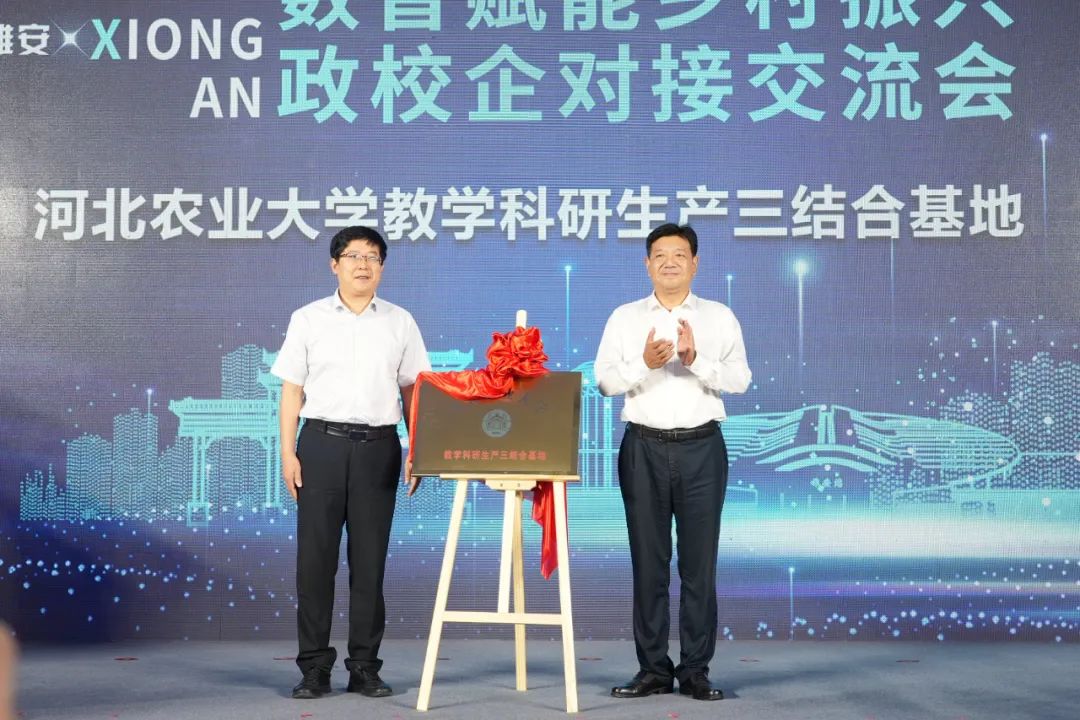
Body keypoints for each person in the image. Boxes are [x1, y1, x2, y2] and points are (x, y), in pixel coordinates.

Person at [272, 226, 430, 700]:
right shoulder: (308, 318)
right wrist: (287, 453)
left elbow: (413, 389)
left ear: (382, 267)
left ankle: (364, 666)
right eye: (354, 256)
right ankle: (314, 668)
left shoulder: (400, 321)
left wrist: (419, 447)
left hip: (379, 448)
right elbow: (292, 390)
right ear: (334, 265)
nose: (363, 264)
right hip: (320, 445)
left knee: (369, 564)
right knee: (315, 563)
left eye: (373, 257)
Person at [595, 223, 751, 702]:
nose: (669, 262)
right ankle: (653, 670)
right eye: (659, 255)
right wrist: (644, 362)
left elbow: (740, 380)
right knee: (649, 563)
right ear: (647, 264)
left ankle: (696, 670)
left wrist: (696, 359)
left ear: (695, 263)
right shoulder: (624, 317)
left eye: (679, 255)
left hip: (702, 448)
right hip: (643, 448)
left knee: (699, 566)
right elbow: (604, 382)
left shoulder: (719, 316)